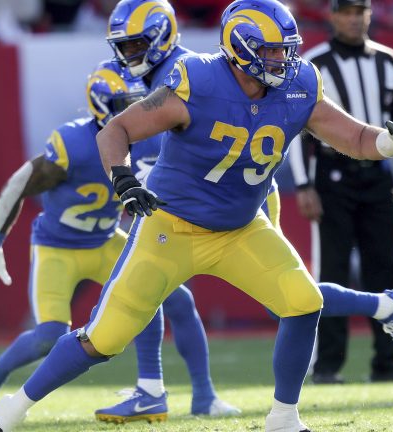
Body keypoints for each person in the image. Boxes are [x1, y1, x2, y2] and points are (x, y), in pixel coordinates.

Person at [0, 0, 393, 431]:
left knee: (303, 301)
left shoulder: (299, 82)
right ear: (241, 48)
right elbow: (117, 129)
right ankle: (10, 414)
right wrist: (124, 180)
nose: (281, 61)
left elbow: (354, 138)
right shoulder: (198, 80)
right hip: (172, 226)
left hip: (241, 227)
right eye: (269, 51)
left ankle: (283, 418)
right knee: (103, 339)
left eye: (284, 51)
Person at [0, 61, 236, 422]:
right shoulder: (73, 142)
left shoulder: (148, 137)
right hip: (58, 248)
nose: (135, 109)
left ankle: (191, 394)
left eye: (137, 101)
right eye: (125, 103)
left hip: (106, 240)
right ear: (101, 105)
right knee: (49, 336)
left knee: (172, 297)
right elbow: (18, 184)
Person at [92, 0, 241, 421]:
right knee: (167, 297)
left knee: (291, 294)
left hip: (212, 196)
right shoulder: (145, 72)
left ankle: (154, 391)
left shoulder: (187, 71)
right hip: (175, 197)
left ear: (160, 34)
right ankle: (190, 394)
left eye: (137, 43)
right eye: (124, 45)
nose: (129, 54)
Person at [288, 0, 393, 384]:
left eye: (358, 10)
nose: (352, 18)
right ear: (331, 16)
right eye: (344, 11)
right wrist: (304, 184)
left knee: (384, 266)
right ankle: (328, 365)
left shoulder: (387, 59)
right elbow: (299, 130)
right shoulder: (314, 63)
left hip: (378, 174)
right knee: (334, 267)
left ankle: (388, 363)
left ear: (369, 15)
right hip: (333, 174)